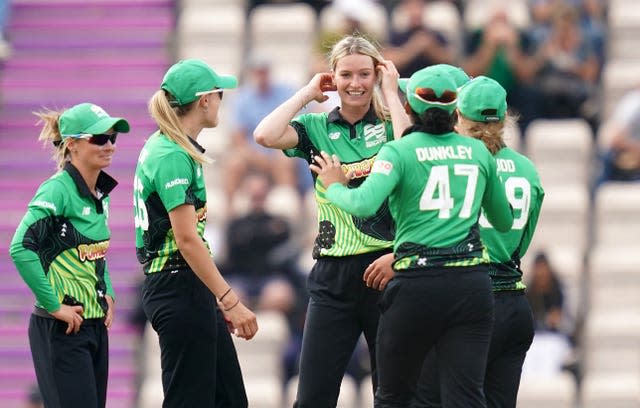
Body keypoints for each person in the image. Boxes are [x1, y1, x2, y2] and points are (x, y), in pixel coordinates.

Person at [310, 65, 514, 407]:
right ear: (455, 110)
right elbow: (503, 221)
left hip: (416, 284)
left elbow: (362, 204)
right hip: (470, 286)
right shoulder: (479, 153)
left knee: (394, 397)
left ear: (408, 108)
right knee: (466, 398)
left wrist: (334, 186)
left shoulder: (399, 151)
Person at [254, 35, 410, 407]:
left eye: (364, 74)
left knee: (393, 396)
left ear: (377, 75)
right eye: (345, 75)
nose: (355, 84)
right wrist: (306, 93)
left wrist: (392, 91)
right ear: (332, 78)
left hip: (385, 271)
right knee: (312, 398)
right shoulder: (317, 127)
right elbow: (264, 134)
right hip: (332, 277)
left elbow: (411, 154)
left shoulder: (393, 123)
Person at [413, 76, 545, 408]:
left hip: (469, 302)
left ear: (458, 115)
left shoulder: (457, 163)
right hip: (514, 305)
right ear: (503, 119)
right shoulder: (527, 169)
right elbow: (522, 240)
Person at [133, 59, 258, 408]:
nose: (222, 100)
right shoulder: (172, 154)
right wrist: (230, 300)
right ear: (204, 100)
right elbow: (187, 239)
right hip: (177, 286)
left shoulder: (173, 146)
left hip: (188, 287)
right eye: (219, 93)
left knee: (229, 400)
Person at [9, 102, 130, 408]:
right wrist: (53, 305)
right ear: (73, 145)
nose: (110, 146)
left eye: (113, 138)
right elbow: (21, 248)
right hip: (63, 327)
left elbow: (95, 254)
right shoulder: (57, 191)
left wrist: (109, 292)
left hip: (92, 325)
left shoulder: (99, 192)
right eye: (99, 139)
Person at [223, 53, 303, 211]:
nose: (261, 75)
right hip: (252, 154)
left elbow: (295, 126)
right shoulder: (242, 98)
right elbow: (238, 137)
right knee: (234, 164)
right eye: (258, 71)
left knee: (286, 163)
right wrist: (256, 157)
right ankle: (230, 212)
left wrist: (280, 152)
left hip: (279, 149)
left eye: (264, 71)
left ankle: (289, 211)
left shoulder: (285, 93)